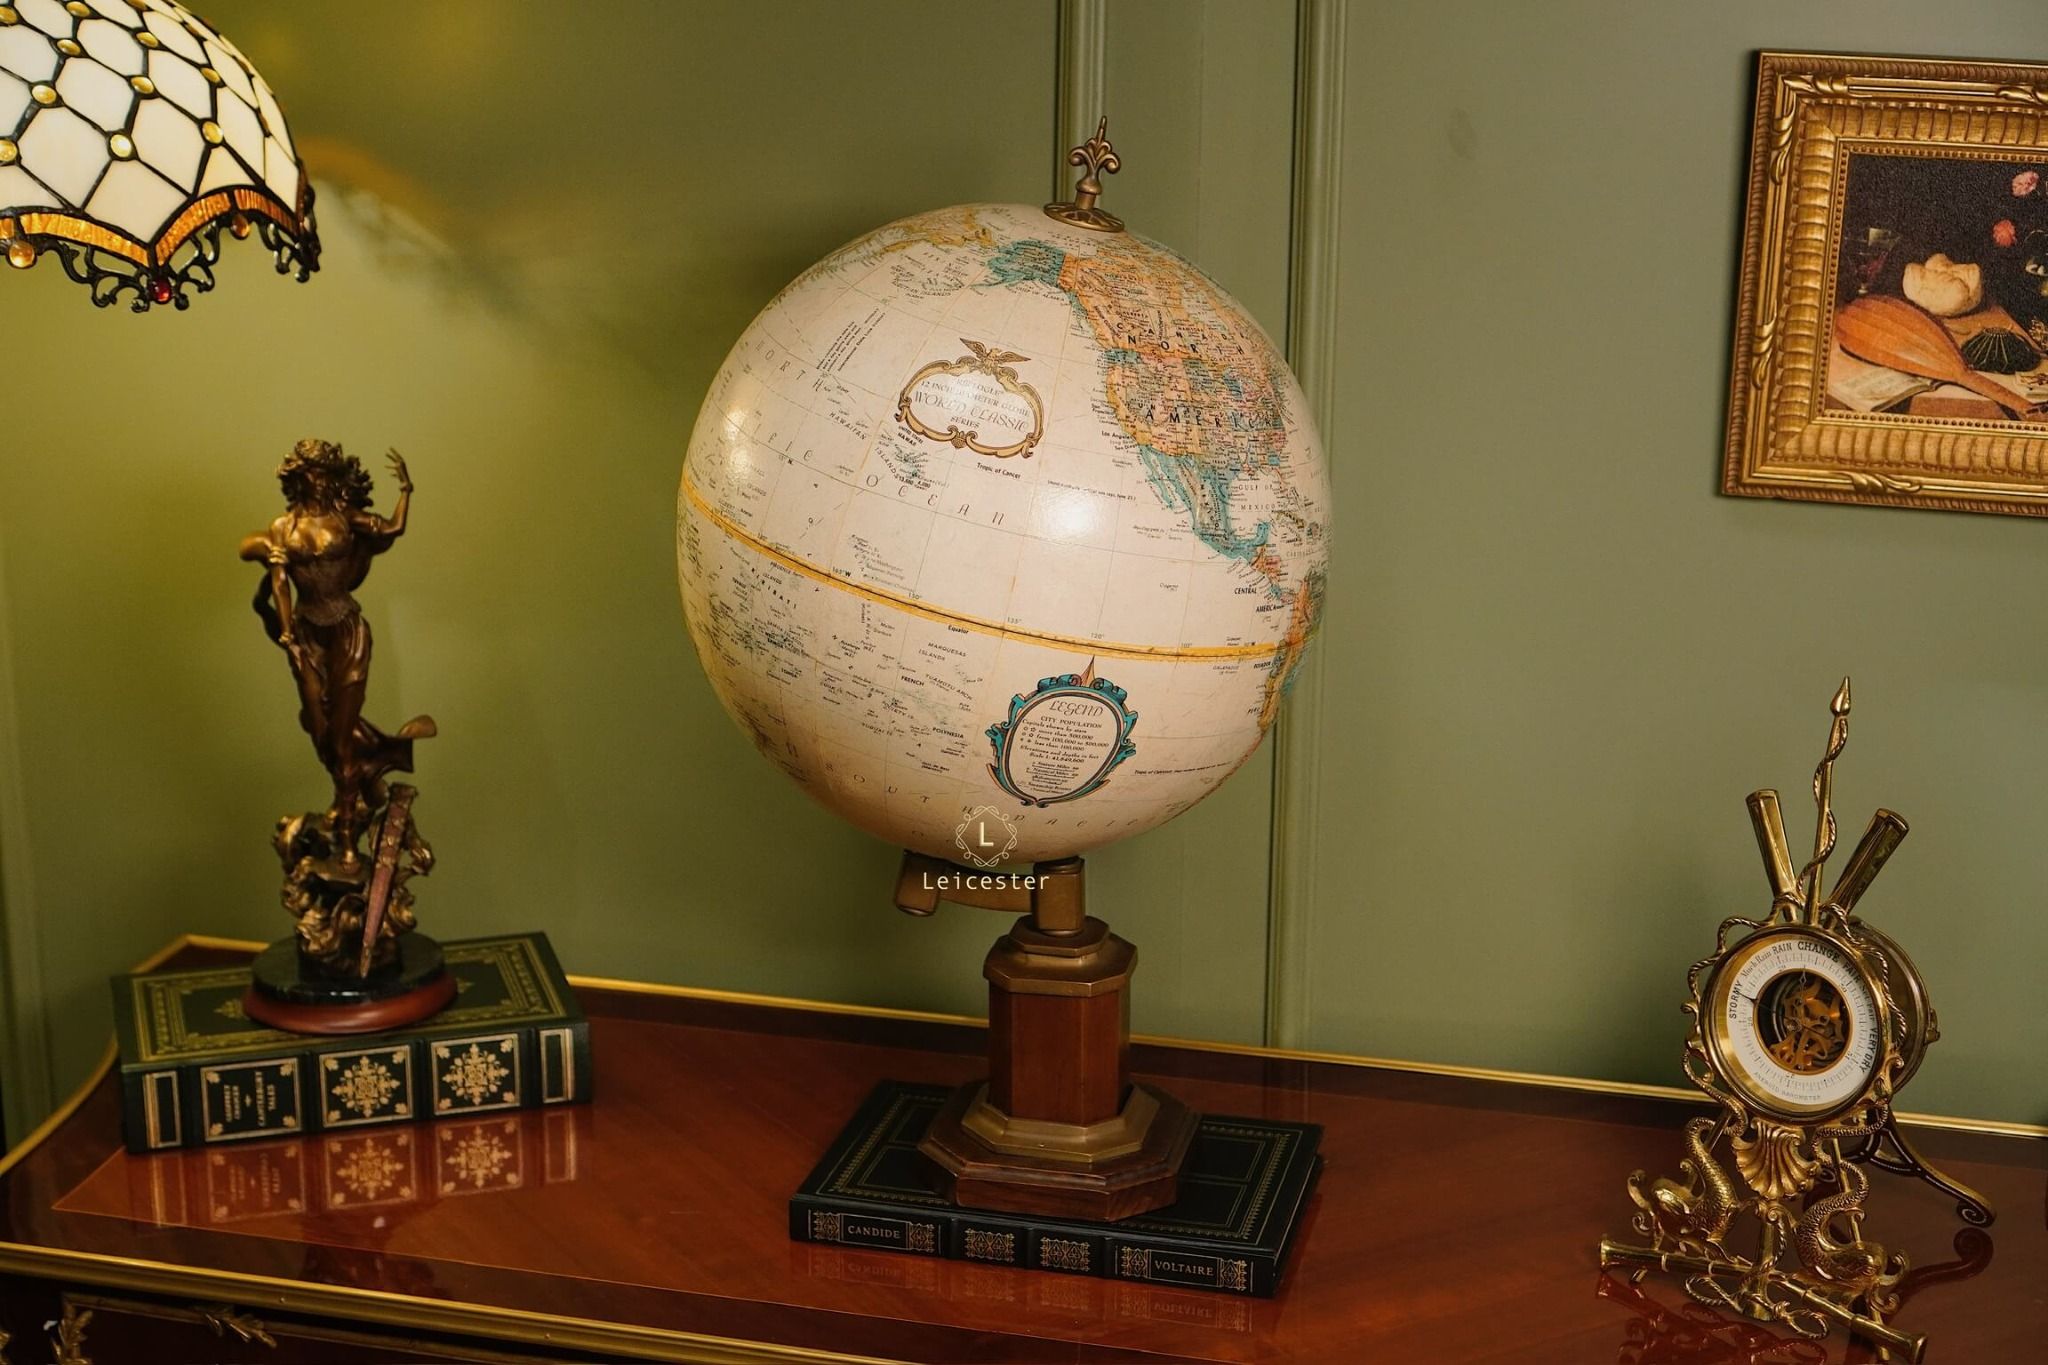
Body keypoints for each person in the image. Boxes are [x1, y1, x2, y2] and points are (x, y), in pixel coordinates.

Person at [239, 439, 435, 871]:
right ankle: (368, 778)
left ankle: (347, 837)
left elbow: (392, 529)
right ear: (299, 477)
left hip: (347, 630)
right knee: (319, 728)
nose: (317, 480)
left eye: (323, 472)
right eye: (310, 472)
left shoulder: (345, 518)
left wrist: (406, 490)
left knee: (341, 739)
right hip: (306, 636)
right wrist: (287, 635)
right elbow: (273, 576)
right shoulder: (282, 527)